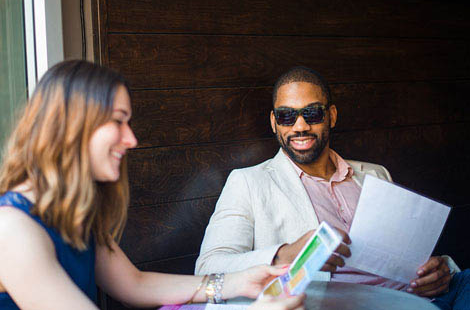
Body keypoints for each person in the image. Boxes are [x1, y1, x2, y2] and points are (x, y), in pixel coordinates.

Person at [0, 60, 306, 310]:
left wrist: (238, 282)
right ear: (72, 125)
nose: (131, 139)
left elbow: (135, 283)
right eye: (118, 121)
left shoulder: (73, 213)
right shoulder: (12, 228)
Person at [195, 66, 469, 308]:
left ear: (332, 116)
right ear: (273, 122)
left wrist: (437, 271)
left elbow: (408, 257)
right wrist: (283, 255)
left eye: (312, 113)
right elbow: (208, 268)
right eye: (286, 116)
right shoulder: (249, 182)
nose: (300, 126)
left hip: (423, 297)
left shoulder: (375, 173)